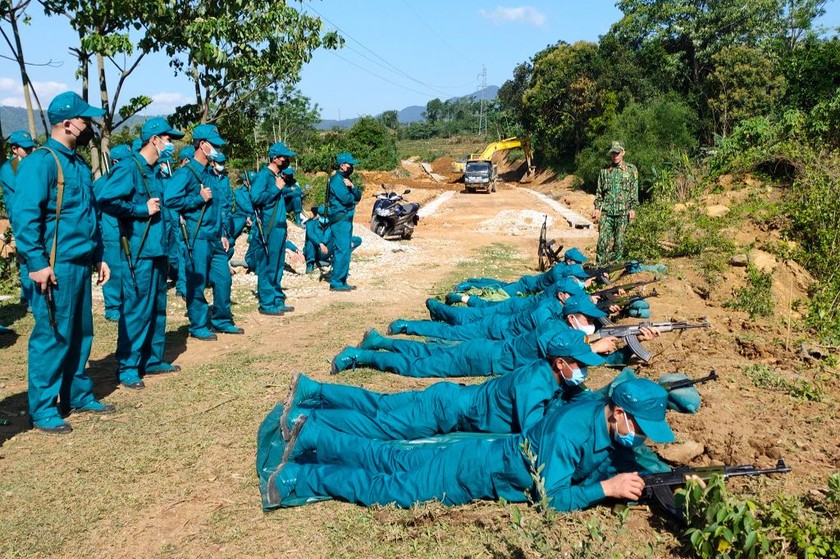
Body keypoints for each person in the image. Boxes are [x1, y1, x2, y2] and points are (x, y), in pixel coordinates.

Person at [262, 378, 675, 511]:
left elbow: (612, 452)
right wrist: (606, 488)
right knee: (386, 487)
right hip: (471, 472)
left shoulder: (594, 411)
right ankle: (302, 475)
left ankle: (315, 435)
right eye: (639, 427)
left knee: (388, 458)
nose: (638, 436)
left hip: (478, 455)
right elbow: (551, 498)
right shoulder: (570, 430)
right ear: (619, 413)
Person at [280, 329, 604, 442]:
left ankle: (313, 389)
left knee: (378, 404)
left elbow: (563, 395)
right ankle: (307, 419)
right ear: (560, 363)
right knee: (380, 425)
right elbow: (535, 435)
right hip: (446, 410)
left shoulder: (544, 373)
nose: (585, 370)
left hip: (449, 399)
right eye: (581, 364)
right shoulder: (535, 384)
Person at [13, 91, 112, 433]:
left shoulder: (79, 165)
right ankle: (42, 408)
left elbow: (89, 216)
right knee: (53, 335)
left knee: (81, 332)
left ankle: (77, 394)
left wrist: (99, 256)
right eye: (85, 120)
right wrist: (37, 262)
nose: (90, 126)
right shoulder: (39, 163)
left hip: (81, 263)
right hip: (53, 267)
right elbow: (25, 218)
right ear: (68, 124)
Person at [331, 295, 618, 378]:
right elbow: (568, 354)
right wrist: (599, 345)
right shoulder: (554, 330)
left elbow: (574, 349)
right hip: (484, 357)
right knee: (420, 365)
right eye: (589, 319)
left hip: (487, 351)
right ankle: (364, 354)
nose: (592, 324)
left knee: (429, 354)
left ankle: (379, 342)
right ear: (571, 318)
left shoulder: (559, 328)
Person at [99, 118, 183, 389]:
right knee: (136, 310)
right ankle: (128, 367)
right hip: (139, 250)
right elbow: (107, 200)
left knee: (157, 307)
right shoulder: (130, 168)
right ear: (154, 139)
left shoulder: (155, 171)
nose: (170, 143)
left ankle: (152, 358)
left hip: (158, 249)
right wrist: (139, 210)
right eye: (167, 139)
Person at [165, 124, 242, 340]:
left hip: (215, 237)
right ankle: (198, 324)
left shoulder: (210, 174)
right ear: (202, 144)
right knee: (196, 282)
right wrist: (198, 199)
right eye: (214, 145)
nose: (217, 149)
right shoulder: (187, 173)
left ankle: (222, 320)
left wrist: (223, 234)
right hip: (196, 235)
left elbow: (218, 208)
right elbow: (170, 199)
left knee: (223, 279)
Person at [250, 141, 296, 315]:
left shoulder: (278, 177)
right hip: (268, 227)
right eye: (285, 157)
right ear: (275, 158)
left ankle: (277, 298)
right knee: (268, 265)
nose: (288, 160)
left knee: (277, 266)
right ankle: (267, 303)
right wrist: (276, 189)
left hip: (279, 226)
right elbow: (256, 198)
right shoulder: (264, 176)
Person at [92, 143, 132, 322]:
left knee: (128, 268)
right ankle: (113, 306)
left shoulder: (130, 179)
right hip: (110, 234)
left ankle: (126, 302)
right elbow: (94, 212)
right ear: (115, 162)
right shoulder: (101, 184)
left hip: (128, 232)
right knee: (113, 269)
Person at [0, 129, 37, 323]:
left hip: (31, 216)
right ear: (14, 149)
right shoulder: (8, 169)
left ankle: (27, 295)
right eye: (26, 149)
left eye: (31, 148)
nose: (29, 151)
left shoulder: (30, 163)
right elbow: (24, 190)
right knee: (26, 257)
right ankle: (29, 298)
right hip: (21, 218)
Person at [593, 141, 638, 265]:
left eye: (617, 153)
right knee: (602, 242)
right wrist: (597, 208)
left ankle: (615, 268)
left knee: (619, 242)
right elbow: (599, 193)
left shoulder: (631, 170)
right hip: (607, 213)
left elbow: (634, 192)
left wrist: (633, 208)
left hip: (623, 213)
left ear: (623, 153)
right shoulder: (604, 171)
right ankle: (599, 268)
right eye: (613, 153)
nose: (615, 156)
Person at [326, 152, 361, 291]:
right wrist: (352, 193)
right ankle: (336, 282)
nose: (352, 167)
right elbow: (347, 199)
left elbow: (358, 196)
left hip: (346, 219)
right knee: (341, 250)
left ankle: (342, 280)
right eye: (350, 165)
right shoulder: (336, 181)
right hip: (340, 219)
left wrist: (352, 187)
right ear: (342, 166)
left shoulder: (347, 180)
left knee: (346, 250)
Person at [303, 204, 362, 274]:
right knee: (310, 242)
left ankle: (333, 262)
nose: (325, 218)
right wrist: (320, 244)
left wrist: (348, 242)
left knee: (341, 240)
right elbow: (311, 235)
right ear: (318, 215)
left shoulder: (332, 225)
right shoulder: (310, 224)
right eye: (322, 215)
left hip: (325, 252)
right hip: (313, 251)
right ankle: (310, 264)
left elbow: (342, 236)